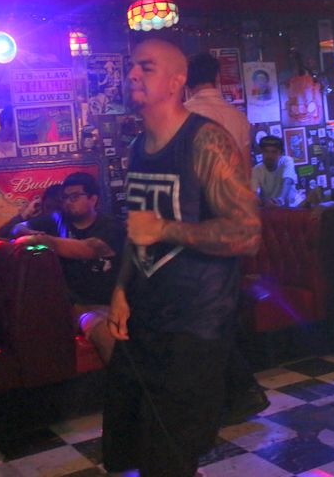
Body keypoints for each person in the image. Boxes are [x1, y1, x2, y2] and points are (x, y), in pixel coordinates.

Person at [103, 39, 261, 477]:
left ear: (176, 82)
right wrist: (121, 289)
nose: (132, 74)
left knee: (169, 456)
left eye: (146, 67)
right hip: (145, 319)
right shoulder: (139, 146)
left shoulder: (206, 140)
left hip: (195, 325)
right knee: (130, 448)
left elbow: (248, 233)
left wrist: (167, 229)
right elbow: (138, 230)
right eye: (132, 66)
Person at [186, 52, 269, 425]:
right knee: (221, 305)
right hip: (232, 221)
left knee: (201, 309)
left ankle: (238, 388)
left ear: (186, 80)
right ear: (218, 78)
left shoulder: (184, 116)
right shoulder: (237, 118)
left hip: (200, 223)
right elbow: (246, 176)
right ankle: (234, 389)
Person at [13, 172, 125, 364]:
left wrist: (41, 240)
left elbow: (86, 249)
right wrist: (30, 232)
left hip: (112, 303)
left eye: (74, 197)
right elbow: (17, 228)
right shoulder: (58, 219)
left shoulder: (111, 226)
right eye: (65, 197)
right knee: (105, 332)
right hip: (78, 306)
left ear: (93, 199)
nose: (67, 202)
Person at [0, 183, 64, 239]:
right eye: (48, 207)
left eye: (57, 208)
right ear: (43, 205)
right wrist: (25, 214)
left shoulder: (66, 223)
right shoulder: (36, 221)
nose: (52, 212)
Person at [251, 135, 298, 207]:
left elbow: (288, 181)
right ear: (262, 152)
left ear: (280, 153)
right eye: (266, 151)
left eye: (274, 152)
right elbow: (254, 194)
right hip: (270, 208)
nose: (269, 156)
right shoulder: (256, 169)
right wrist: (265, 202)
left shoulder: (287, 161)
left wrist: (280, 200)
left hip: (293, 206)